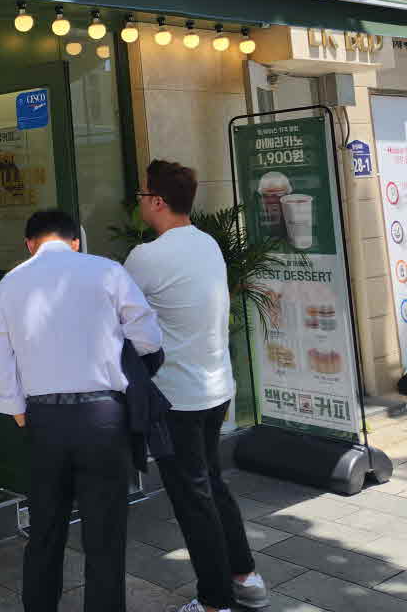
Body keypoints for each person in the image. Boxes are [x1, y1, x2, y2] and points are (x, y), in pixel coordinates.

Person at [0, 209, 162, 612]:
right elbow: (148, 337)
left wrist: (15, 407)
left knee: (45, 529)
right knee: (105, 536)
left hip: (45, 419)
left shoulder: (9, 284)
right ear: (75, 242)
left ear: (29, 244)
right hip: (104, 417)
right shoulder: (108, 271)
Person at [125, 160, 269, 612]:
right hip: (215, 386)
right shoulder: (207, 244)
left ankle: (214, 601)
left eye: (142, 195)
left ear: (157, 201)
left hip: (177, 396)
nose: (139, 203)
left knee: (193, 498)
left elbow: (118, 315)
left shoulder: (146, 257)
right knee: (211, 483)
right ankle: (245, 577)